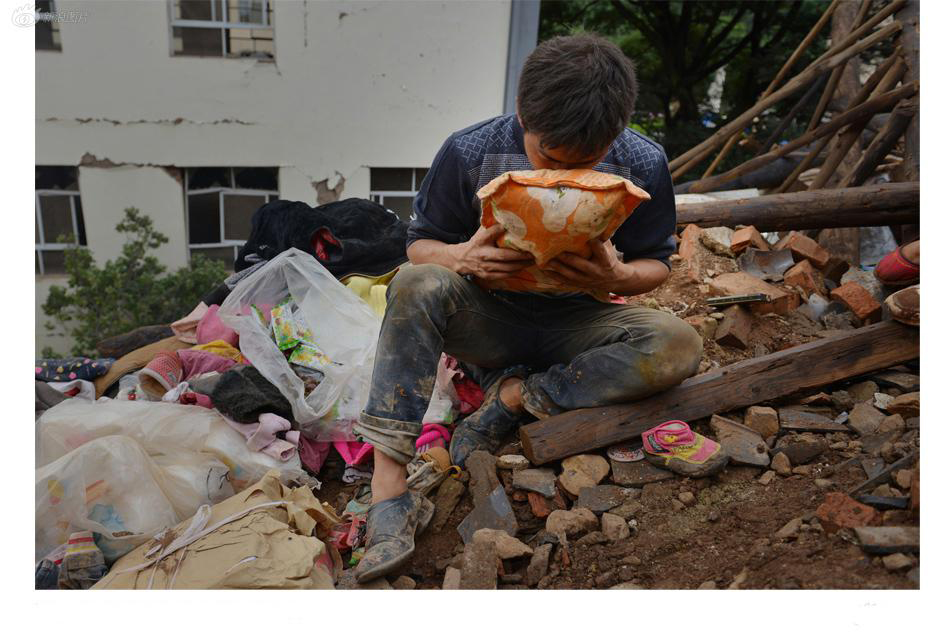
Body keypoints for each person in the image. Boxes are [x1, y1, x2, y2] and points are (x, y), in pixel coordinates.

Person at [352, 34, 703, 582]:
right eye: (549, 159)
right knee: (418, 282)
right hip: (489, 317)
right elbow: (419, 246)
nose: (566, 175)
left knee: (678, 343)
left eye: (586, 164)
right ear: (522, 114)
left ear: (616, 132)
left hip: (582, 323)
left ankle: (515, 397)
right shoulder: (469, 150)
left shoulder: (642, 160)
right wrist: (462, 258)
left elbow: (657, 263)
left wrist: (618, 275)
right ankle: (389, 486)